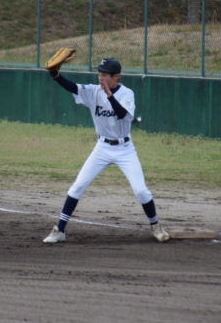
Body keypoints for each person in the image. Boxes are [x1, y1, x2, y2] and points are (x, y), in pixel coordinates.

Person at [42, 57, 170, 243]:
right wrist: (55, 75)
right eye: (99, 74)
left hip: (125, 149)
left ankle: (155, 226)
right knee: (77, 186)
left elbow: (122, 114)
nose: (100, 78)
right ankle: (59, 230)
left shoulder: (127, 93)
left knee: (141, 191)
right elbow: (73, 87)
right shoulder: (93, 91)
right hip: (102, 148)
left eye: (105, 75)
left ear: (116, 76)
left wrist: (109, 95)